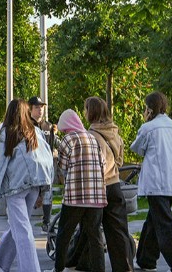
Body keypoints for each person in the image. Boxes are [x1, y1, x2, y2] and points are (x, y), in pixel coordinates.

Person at [66, 97, 133, 271]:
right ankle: (124, 267)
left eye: (85, 109)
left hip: (98, 187)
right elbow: (119, 161)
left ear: (92, 112)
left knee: (91, 228)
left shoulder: (91, 136)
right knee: (118, 231)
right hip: (115, 185)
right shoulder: (114, 133)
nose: (84, 113)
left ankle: (83, 262)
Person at [130, 91, 172, 272]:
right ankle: (145, 260)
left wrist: (145, 123)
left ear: (150, 109)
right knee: (153, 221)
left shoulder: (149, 128)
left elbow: (137, 148)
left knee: (164, 223)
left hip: (155, 183)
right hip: (171, 181)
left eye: (145, 108)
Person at [0, 99, 54, 272]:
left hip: (15, 187)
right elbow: (45, 160)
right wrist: (44, 189)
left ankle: (31, 269)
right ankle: (2, 262)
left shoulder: (6, 132)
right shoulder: (34, 131)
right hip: (33, 185)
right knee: (20, 225)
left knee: (23, 229)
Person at [46, 109, 107, 272]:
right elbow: (103, 164)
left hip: (76, 196)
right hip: (96, 196)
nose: (65, 131)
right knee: (95, 236)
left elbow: (63, 167)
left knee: (64, 234)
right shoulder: (93, 138)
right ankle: (99, 269)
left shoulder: (68, 140)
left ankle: (58, 268)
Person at [28, 96, 59, 233]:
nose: (40, 110)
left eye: (42, 107)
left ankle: (46, 222)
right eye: (36, 107)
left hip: (47, 166)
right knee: (31, 194)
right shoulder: (27, 125)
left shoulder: (48, 126)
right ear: (30, 109)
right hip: (32, 166)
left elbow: (54, 144)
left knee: (47, 193)